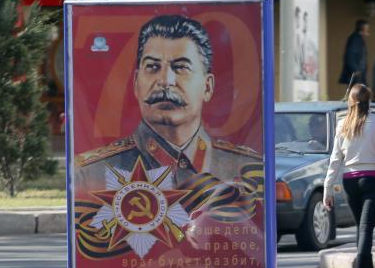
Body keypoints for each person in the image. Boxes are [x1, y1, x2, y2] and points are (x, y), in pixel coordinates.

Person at [73, 14, 261, 195]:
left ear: (207, 86)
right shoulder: (90, 174)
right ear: (136, 83)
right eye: (153, 67)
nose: (165, 81)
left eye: (181, 67)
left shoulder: (247, 168)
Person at [323, 83, 375, 268]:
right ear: (369, 100)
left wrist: (328, 189)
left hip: (350, 181)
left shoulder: (343, 124)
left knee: (361, 229)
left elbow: (335, 159)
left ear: (351, 101)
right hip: (372, 180)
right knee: (366, 229)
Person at [338, 19, 370, 87]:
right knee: (356, 95)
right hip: (356, 75)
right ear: (361, 29)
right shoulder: (355, 39)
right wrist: (356, 70)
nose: (368, 31)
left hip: (359, 75)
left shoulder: (359, 39)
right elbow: (349, 56)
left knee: (360, 94)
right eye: (366, 29)